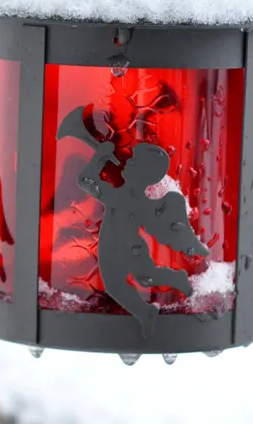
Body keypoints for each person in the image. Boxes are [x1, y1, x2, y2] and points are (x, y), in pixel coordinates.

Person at [60, 107, 209, 337]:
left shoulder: (127, 198)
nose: (127, 163)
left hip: (127, 248)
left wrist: (101, 156)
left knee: (140, 278)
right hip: (116, 247)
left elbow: (86, 179)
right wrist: (99, 156)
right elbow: (85, 180)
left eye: (134, 163)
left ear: (145, 174)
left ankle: (169, 286)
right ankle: (148, 309)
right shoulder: (121, 195)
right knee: (127, 281)